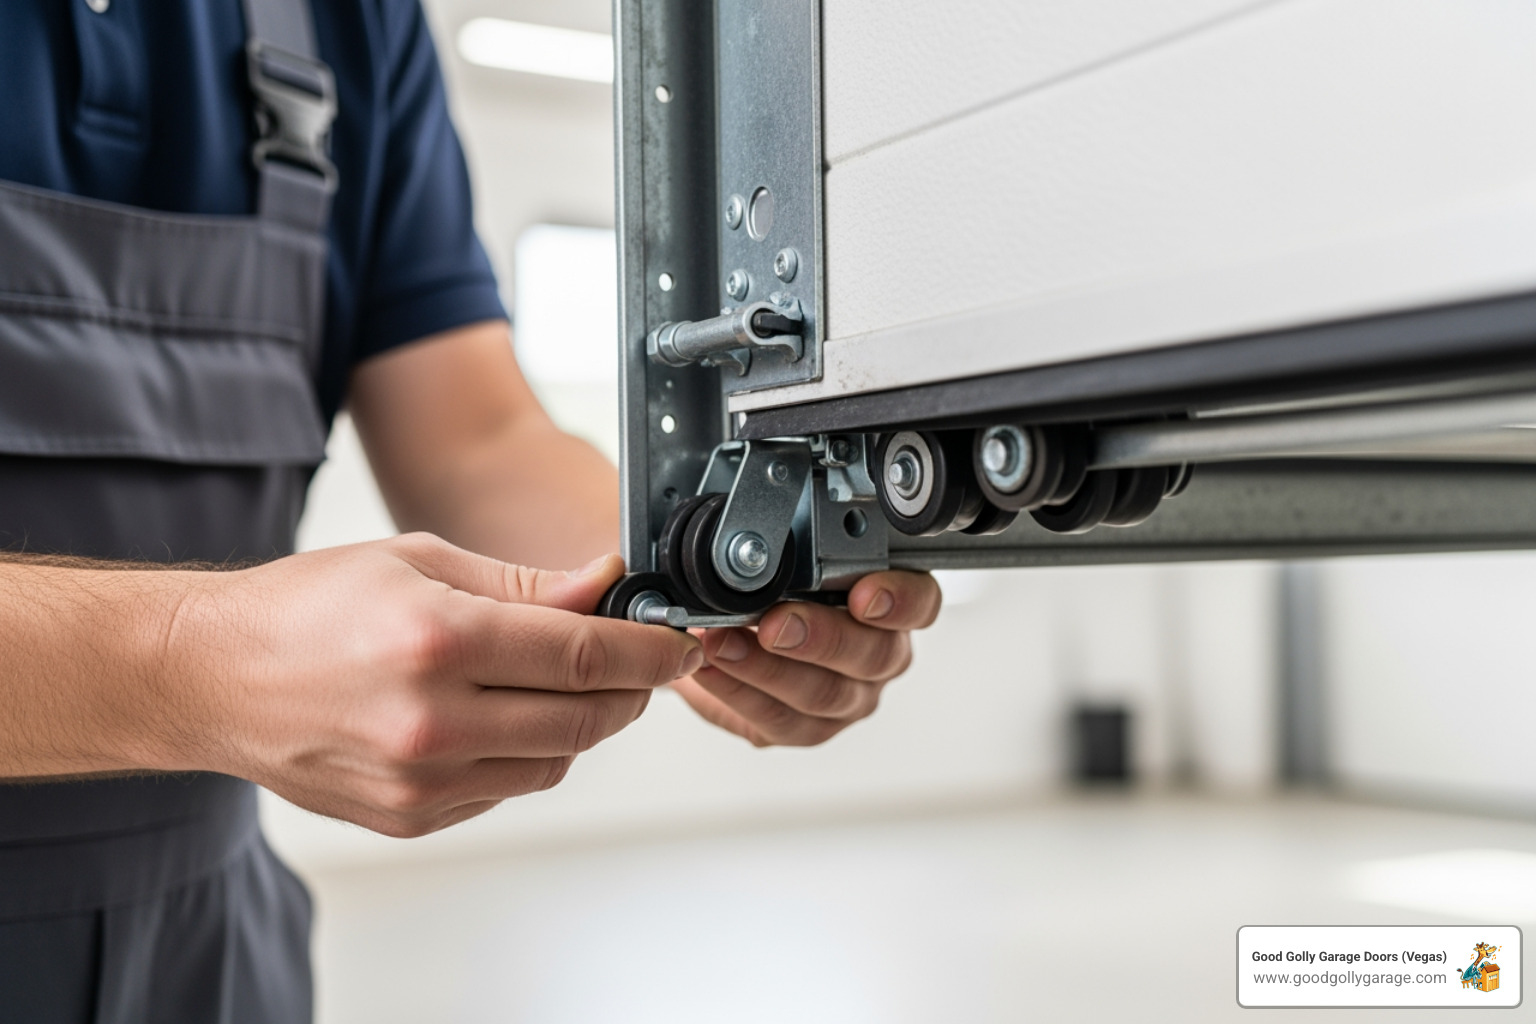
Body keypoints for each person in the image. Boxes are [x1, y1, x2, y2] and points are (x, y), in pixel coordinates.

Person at [0, 1, 941, 1020]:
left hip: (206, 954)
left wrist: (691, 569)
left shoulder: (346, 23)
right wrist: (195, 664)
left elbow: (475, 441)